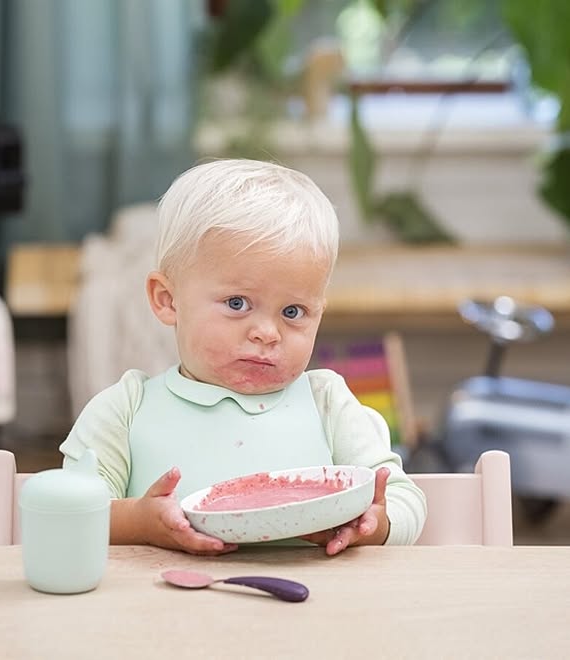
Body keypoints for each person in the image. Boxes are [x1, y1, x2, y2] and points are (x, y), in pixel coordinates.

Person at [60, 158, 427, 556]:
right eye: (237, 303)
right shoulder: (127, 409)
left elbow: (404, 501)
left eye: (293, 312)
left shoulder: (327, 403)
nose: (267, 333)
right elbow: (69, 516)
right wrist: (141, 524)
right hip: (166, 612)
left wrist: (372, 524)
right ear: (167, 300)